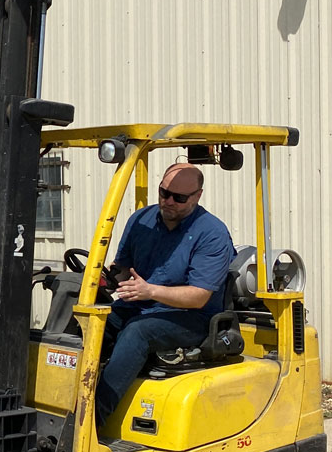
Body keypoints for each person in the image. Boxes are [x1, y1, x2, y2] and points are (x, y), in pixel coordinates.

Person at [95, 163, 234, 425]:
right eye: (163, 193)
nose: (168, 201)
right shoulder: (141, 220)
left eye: (178, 198)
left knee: (138, 331)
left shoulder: (211, 233)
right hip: (139, 306)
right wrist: (102, 281)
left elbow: (199, 296)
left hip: (191, 318)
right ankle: (66, 400)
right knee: (91, 323)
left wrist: (150, 291)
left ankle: (92, 420)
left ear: (197, 196)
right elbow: (123, 270)